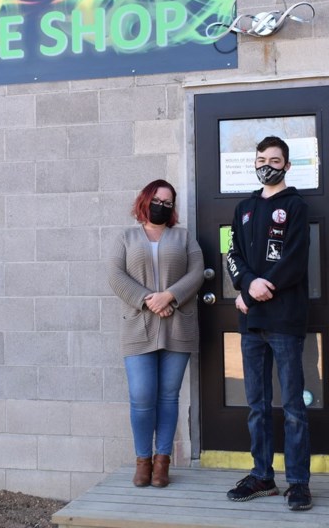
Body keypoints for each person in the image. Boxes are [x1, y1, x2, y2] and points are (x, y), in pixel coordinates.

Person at [225, 136, 313, 511]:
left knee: (293, 406)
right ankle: (262, 475)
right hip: (250, 323)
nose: (267, 165)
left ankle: (298, 483)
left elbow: (294, 261)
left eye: (275, 160)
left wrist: (262, 285)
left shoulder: (296, 206)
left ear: (287, 166)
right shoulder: (243, 208)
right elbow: (233, 255)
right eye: (261, 159)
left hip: (285, 321)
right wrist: (245, 285)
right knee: (257, 404)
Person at [107, 179, 205, 488]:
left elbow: (197, 272)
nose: (162, 205)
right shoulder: (126, 237)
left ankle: (162, 461)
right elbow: (115, 275)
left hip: (178, 327)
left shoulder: (184, 237)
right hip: (139, 326)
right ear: (145, 200)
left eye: (168, 202)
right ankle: (143, 461)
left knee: (167, 397)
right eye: (158, 200)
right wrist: (151, 300)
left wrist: (171, 296)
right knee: (141, 397)